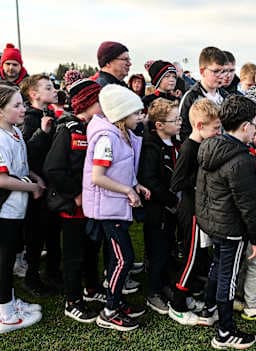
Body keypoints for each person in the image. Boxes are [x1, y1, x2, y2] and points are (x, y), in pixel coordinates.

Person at [196, 95, 256, 349]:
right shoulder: (242, 159)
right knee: (229, 277)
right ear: (245, 127)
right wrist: (255, 237)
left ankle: (208, 308)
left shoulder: (208, 146)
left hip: (211, 221)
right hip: (231, 228)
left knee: (217, 265)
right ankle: (225, 333)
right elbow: (247, 204)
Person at [82, 84, 149, 331]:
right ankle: (109, 311)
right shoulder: (106, 138)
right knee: (124, 258)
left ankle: (116, 301)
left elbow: (122, 168)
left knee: (119, 258)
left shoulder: (122, 134)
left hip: (117, 205)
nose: (140, 117)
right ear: (121, 115)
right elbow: (97, 177)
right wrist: (127, 190)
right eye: (135, 113)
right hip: (108, 208)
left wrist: (135, 184)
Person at [0, 84, 45, 333]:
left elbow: (21, 166)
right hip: (4, 209)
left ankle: (10, 302)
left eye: (23, 104)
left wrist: (35, 177)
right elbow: (2, 180)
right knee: (5, 262)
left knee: (10, 257)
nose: (23, 109)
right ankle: (5, 314)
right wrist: (33, 188)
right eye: (16, 105)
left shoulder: (15, 132)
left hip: (16, 208)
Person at [43, 79, 104, 323]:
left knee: (92, 250)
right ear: (89, 103)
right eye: (100, 102)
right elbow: (53, 169)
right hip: (73, 207)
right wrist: (75, 195)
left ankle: (91, 288)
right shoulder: (68, 129)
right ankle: (73, 301)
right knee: (73, 256)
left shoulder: (94, 127)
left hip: (90, 205)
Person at [168, 98, 221, 326]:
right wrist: (202, 177)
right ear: (200, 126)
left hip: (200, 209)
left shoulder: (202, 145)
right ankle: (177, 305)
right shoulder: (189, 148)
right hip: (190, 211)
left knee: (198, 257)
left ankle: (188, 296)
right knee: (190, 259)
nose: (219, 132)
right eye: (215, 128)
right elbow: (176, 182)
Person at [137, 98, 181, 315]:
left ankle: (165, 284)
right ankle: (153, 292)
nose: (180, 122)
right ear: (159, 125)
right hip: (157, 211)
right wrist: (172, 200)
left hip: (172, 211)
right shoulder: (151, 147)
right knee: (157, 252)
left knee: (168, 250)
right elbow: (150, 180)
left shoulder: (175, 143)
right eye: (175, 119)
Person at [19, 74, 61, 297]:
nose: (54, 90)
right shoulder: (29, 118)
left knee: (53, 231)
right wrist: (42, 133)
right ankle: (32, 277)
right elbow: (25, 152)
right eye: (48, 87)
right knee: (35, 235)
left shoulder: (50, 114)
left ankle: (53, 272)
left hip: (51, 184)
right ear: (34, 94)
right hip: (37, 186)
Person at [179, 46, 229, 141]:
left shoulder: (226, 97)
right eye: (216, 71)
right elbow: (183, 132)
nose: (221, 76)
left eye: (223, 71)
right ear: (202, 71)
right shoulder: (191, 97)